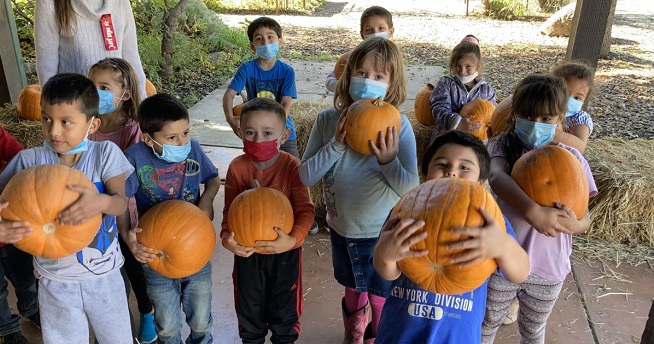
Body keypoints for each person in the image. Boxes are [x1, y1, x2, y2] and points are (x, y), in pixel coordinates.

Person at [300, 37, 419, 343]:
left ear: (390, 85)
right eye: (362, 73)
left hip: (382, 231)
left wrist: (388, 160)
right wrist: (336, 145)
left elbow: (410, 187)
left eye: (379, 76)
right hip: (342, 227)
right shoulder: (328, 121)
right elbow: (306, 175)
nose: (368, 81)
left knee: (381, 292)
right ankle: (354, 328)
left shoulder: (398, 126)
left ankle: (377, 335)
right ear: (348, 74)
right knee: (353, 286)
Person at [0, 73, 134, 343]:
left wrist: (101, 202)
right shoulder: (29, 161)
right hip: (55, 282)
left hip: (105, 277)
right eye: (46, 118)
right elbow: (5, 202)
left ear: (92, 124)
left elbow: (120, 203)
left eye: (66, 122)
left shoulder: (104, 154)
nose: (54, 130)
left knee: (117, 338)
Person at [373, 130, 530, 343]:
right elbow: (387, 273)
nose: (452, 172)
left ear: (481, 182)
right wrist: (385, 255)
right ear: (425, 176)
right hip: (400, 335)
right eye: (442, 165)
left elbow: (520, 273)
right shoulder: (404, 212)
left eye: (464, 167)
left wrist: (504, 247)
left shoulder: (491, 221)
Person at [480, 73, 597, 344]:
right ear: (515, 114)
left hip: (548, 268)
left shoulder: (574, 158)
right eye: (529, 116)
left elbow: (585, 215)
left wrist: (576, 225)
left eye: (546, 119)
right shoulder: (502, 146)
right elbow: (497, 177)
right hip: (501, 262)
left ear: (560, 119)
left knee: (533, 331)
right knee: (487, 324)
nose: (536, 124)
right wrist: (532, 210)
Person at [119, 93, 221, 344]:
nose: (182, 141)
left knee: (200, 319)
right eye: (172, 137)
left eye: (185, 132)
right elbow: (120, 200)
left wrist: (206, 201)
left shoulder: (193, 149)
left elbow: (213, 179)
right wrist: (127, 235)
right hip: (154, 253)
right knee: (166, 325)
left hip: (195, 249)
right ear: (148, 139)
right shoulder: (134, 157)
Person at [221, 98, 314, 344]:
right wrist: (227, 240)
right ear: (240, 132)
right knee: (249, 312)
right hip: (248, 256)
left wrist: (293, 240)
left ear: (284, 136)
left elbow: (305, 210)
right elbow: (229, 211)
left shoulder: (293, 167)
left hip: (285, 255)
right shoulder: (237, 168)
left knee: (285, 313)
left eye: (268, 133)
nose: (258, 140)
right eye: (250, 132)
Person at [87, 57, 156, 344]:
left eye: (104, 87)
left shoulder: (132, 130)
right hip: (94, 208)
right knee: (104, 265)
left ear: (125, 93)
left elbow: (131, 177)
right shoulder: (85, 123)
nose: (96, 92)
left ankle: (147, 310)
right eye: (92, 86)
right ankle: (114, 319)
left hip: (124, 209)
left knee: (131, 263)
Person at [34, 0, 147, 98]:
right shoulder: (50, 3)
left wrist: (142, 108)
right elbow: (47, 67)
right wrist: (54, 111)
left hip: (116, 108)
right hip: (74, 108)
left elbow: (132, 60)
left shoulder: (121, 2)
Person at [222, 16, 300, 159]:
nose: (265, 42)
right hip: (257, 134)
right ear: (252, 46)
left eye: (270, 37)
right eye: (259, 39)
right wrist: (230, 119)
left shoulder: (287, 71)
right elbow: (229, 95)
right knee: (257, 168)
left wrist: (278, 131)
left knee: (292, 168)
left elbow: (286, 103)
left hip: (284, 131)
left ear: (280, 42)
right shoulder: (247, 68)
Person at [0, 128, 40, 344]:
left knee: (26, 278)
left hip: (12, 229)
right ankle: (7, 329)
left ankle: (32, 309)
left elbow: (20, 157)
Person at [429, 36, 497, 139]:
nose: (462, 71)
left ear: (478, 66)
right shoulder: (446, 84)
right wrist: (458, 123)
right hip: (447, 137)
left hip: (477, 140)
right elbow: (438, 108)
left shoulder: (486, 91)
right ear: (452, 66)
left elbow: (493, 115)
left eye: (468, 66)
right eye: (458, 66)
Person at [324, 6, 395, 93]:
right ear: (362, 35)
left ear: (391, 32)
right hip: (352, 105)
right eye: (369, 30)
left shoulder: (393, 59)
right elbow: (331, 79)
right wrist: (346, 86)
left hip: (381, 104)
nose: (376, 33)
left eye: (381, 28)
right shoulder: (355, 56)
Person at [552, 61, 595, 153]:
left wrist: (554, 131)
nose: (569, 99)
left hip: (565, 159)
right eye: (565, 92)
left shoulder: (580, 119)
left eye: (577, 98)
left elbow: (580, 148)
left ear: (584, 100)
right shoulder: (546, 108)